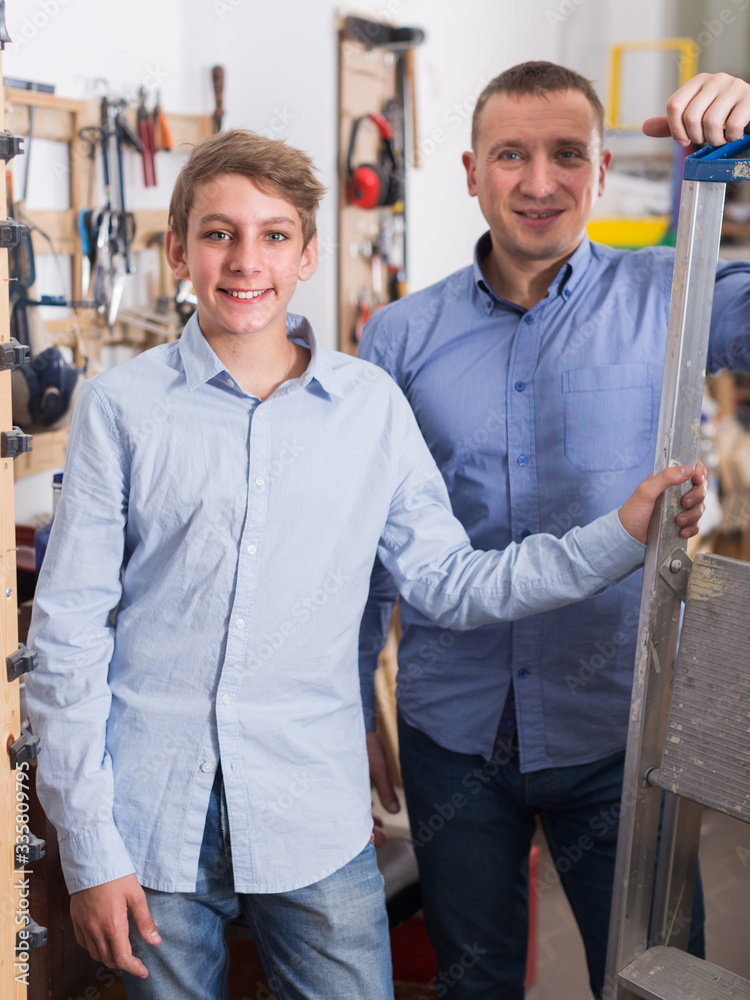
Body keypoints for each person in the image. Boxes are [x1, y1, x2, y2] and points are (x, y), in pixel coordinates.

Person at [25, 129, 703, 1000]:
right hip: (149, 815)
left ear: (307, 255)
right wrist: (89, 850)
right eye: (219, 233)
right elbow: (68, 639)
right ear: (178, 252)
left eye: (273, 235)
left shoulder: (370, 407)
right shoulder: (119, 408)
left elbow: (451, 584)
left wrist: (621, 533)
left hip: (311, 814)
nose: (245, 260)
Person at [358, 63, 750, 1000]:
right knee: (474, 982)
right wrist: (355, 701)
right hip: (452, 734)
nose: (540, 182)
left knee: (655, 981)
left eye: (568, 154)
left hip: (618, 733)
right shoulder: (399, 337)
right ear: (470, 171)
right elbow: (368, 545)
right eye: (511, 155)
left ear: (602, 169)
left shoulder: (677, 293)